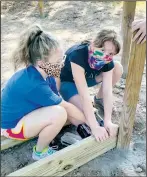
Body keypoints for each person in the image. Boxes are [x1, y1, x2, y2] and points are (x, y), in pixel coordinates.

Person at [1, 25, 87, 161]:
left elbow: (56, 95)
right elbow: (65, 107)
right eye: (58, 61)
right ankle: (40, 152)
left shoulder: (45, 73)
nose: (62, 64)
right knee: (59, 113)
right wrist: (91, 122)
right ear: (41, 63)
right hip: (11, 126)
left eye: (62, 59)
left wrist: (82, 122)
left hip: (22, 115)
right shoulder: (35, 84)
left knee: (59, 110)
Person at [60, 29, 123, 142]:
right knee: (85, 114)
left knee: (117, 68)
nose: (105, 56)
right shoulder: (77, 55)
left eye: (110, 54)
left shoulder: (107, 60)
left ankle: (98, 99)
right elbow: (84, 95)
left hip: (88, 77)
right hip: (68, 82)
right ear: (93, 45)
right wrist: (95, 127)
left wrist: (108, 120)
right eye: (102, 50)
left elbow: (108, 91)